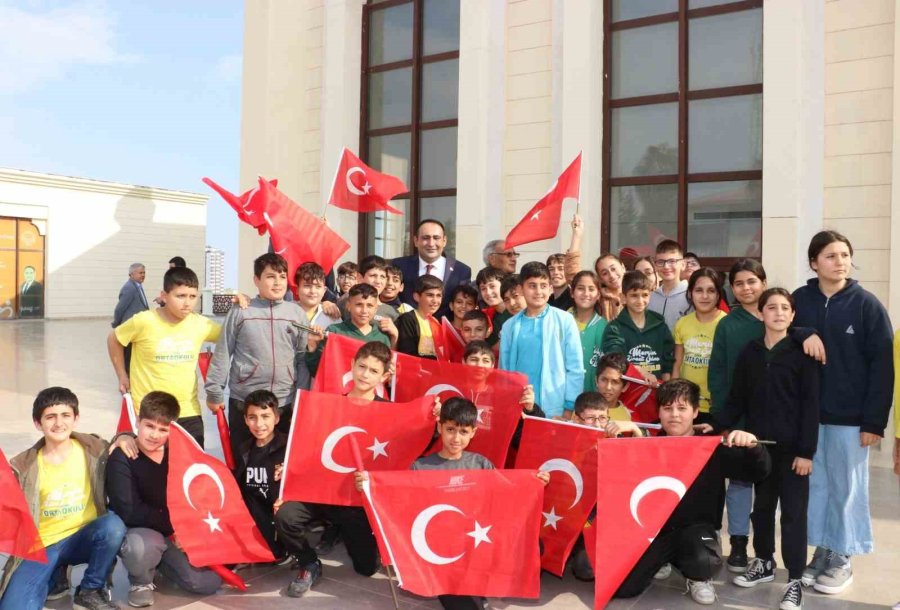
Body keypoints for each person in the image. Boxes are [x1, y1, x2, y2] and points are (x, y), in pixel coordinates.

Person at [356, 397, 548, 610]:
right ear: (440, 427)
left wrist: (534, 482)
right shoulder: (421, 467)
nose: (456, 438)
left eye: (464, 432)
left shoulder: (480, 463)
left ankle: (479, 585)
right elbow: (399, 503)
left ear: (473, 432)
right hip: (441, 553)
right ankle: (469, 590)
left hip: (476, 540)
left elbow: (505, 496)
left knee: (532, 543)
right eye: (450, 430)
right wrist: (370, 485)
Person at [792, 230, 894, 596]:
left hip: (850, 418)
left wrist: (873, 422)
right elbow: (780, 326)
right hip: (808, 415)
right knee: (816, 487)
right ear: (814, 262)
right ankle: (823, 549)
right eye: (832, 256)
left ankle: (843, 555)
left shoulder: (866, 305)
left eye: (845, 255)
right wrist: (803, 330)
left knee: (847, 488)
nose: (840, 262)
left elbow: (883, 367)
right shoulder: (800, 300)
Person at [614, 379, 772, 606]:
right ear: (658, 412)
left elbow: (759, 472)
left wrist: (754, 447)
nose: (674, 415)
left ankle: (697, 577)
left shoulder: (711, 448)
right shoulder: (647, 445)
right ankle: (664, 562)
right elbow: (619, 479)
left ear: (696, 411)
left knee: (704, 561)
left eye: (682, 408)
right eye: (667, 408)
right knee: (623, 587)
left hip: (697, 532)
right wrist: (623, 438)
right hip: (656, 533)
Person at [713, 288, 819, 610]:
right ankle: (764, 561)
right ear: (761, 314)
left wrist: (806, 452)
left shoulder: (803, 353)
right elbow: (737, 398)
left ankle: (795, 579)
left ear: (793, 315)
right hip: (760, 448)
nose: (778, 313)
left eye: (785, 308)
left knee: (793, 514)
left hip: (793, 451)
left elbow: (811, 406)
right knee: (761, 509)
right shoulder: (750, 351)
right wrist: (720, 425)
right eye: (771, 307)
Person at [276, 342, 392, 598]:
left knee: (366, 568)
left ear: (384, 377)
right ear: (351, 366)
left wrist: (433, 415)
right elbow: (307, 447)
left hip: (355, 500)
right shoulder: (327, 405)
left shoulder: (389, 411)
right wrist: (290, 473)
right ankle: (309, 561)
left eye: (373, 371)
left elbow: (401, 455)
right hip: (321, 492)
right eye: (361, 366)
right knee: (286, 516)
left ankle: (343, 531)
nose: (365, 374)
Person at [0, 387, 126, 610]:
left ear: (76, 418)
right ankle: (56, 575)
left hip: (85, 536)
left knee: (113, 526)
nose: (59, 423)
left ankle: (90, 589)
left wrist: (127, 436)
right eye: (50, 417)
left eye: (65, 415)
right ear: (38, 423)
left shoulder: (95, 449)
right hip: (43, 545)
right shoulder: (24, 466)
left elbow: (121, 443)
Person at [106, 391, 221, 608]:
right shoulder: (123, 456)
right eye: (149, 426)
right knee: (142, 547)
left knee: (206, 583)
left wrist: (189, 530)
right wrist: (174, 527)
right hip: (140, 529)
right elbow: (130, 511)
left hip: (172, 530)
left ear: (173, 430)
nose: (155, 435)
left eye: (163, 429)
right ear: (138, 422)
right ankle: (140, 582)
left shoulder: (178, 454)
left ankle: (161, 564)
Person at [204, 253, 307, 458]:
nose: (277, 283)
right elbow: (224, 351)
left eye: (282, 276)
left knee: (280, 463)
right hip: (244, 398)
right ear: (256, 280)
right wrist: (214, 391)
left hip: (283, 400)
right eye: (270, 277)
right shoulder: (242, 310)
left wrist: (301, 396)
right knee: (242, 462)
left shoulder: (296, 313)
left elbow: (302, 358)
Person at [108, 266, 220, 447]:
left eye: (192, 296)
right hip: (149, 413)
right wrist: (121, 374)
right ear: (164, 295)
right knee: (151, 471)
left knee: (190, 470)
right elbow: (114, 339)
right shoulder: (144, 321)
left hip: (188, 412)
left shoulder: (201, 324)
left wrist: (239, 307)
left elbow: (230, 336)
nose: (187, 303)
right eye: (180, 296)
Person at [499, 261, 584, 419]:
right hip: (519, 407)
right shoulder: (509, 326)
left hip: (555, 409)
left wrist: (568, 408)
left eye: (543, 285)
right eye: (532, 285)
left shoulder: (565, 320)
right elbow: (504, 372)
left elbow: (575, 368)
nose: (538, 291)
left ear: (551, 288)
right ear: (521, 289)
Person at [233, 389, 289, 561]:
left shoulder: (289, 446)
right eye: (252, 417)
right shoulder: (243, 449)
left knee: (275, 553)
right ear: (245, 420)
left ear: (277, 418)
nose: (259, 424)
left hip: (279, 510)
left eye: (265, 416)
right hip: (255, 513)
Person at [672, 268, 727, 421]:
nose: (704, 296)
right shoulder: (682, 323)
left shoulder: (726, 323)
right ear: (690, 293)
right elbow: (677, 364)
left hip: (716, 406)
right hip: (686, 405)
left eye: (711, 290)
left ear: (718, 295)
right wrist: (674, 397)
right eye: (698, 290)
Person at [306, 283, 396, 376]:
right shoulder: (335, 331)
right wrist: (312, 347)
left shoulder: (382, 338)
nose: (364, 310)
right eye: (359, 305)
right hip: (339, 388)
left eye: (369, 305)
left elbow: (384, 376)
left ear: (376, 308)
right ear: (348, 306)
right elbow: (316, 371)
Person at [601, 270, 674, 385]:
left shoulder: (660, 324)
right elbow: (615, 359)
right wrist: (641, 372)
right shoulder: (614, 328)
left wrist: (666, 386)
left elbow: (667, 360)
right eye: (634, 295)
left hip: (656, 392)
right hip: (627, 392)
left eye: (644, 295)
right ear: (623, 298)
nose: (640, 301)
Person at [392, 219, 472, 319]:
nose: (431, 243)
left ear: (444, 241)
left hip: (443, 330)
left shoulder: (461, 271)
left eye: (436, 238)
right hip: (406, 329)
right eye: (426, 238)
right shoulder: (399, 265)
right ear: (416, 241)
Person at [292, 261, 340, 390]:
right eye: (307, 286)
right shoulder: (287, 312)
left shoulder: (333, 317)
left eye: (318, 286)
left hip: (318, 382)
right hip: (289, 381)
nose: (312, 291)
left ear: (324, 290)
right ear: (297, 289)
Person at [338, 255, 401, 327]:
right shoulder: (345, 301)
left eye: (382, 277)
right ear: (359, 277)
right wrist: (327, 304)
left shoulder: (391, 312)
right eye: (373, 275)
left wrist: (394, 335)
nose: (378, 281)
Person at [569, 270, 606, 391]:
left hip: (593, 399)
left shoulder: (605, 327)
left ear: (598, 295)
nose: (586, 293)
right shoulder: (561, 322)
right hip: (562, 395)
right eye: (580, 288)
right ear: (572, 292)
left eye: (591, 289)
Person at [112, 263, 151, 372]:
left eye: (144, 273)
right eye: (140, 273)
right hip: (130, 328)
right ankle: (127, 379)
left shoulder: (137, 286)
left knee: (134, 355)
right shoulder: (129, 288)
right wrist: (116, 323)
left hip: (137, 327)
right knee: (128, 355)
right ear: (131, 274)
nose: (143, 275)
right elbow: (120, 308)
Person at [395, 275, 444, 358]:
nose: (435, 301)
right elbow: (407, 354)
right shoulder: (408, 319)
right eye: (430, 295)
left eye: (438, 295)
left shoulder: (436, 322)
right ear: (417, 296)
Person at [649, 239, 691, 331]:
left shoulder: (691, 295)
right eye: (660, 262)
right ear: (655, 265)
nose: (666, 267)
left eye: (672, 261)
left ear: (683, 264)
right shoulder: (650, 297)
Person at [474, 266, 506, 345]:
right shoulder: (485, 316)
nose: (488, 292)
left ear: (504, 285)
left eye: (492, 286)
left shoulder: (517, 313)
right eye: (483, 288)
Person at [594, 253, 626, 321]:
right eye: (605, 273)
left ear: (623, 267)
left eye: (613, 269)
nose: (611, 275)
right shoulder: (598, 299)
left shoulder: (636, 293)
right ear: (600, 279)